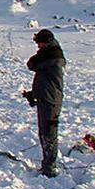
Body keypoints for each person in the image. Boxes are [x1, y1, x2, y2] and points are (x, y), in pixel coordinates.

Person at [23, 28, 65, 178]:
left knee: (49, 133)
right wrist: (33, 94)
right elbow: (43, 80)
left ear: (46, 43)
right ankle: (47, 164)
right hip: (46, 97)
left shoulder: (52, 56)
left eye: (39, 44)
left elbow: (32, 64)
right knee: (44, 132)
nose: (37, 47)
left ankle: (50, 167)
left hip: (50, 100)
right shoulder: (49, 54)